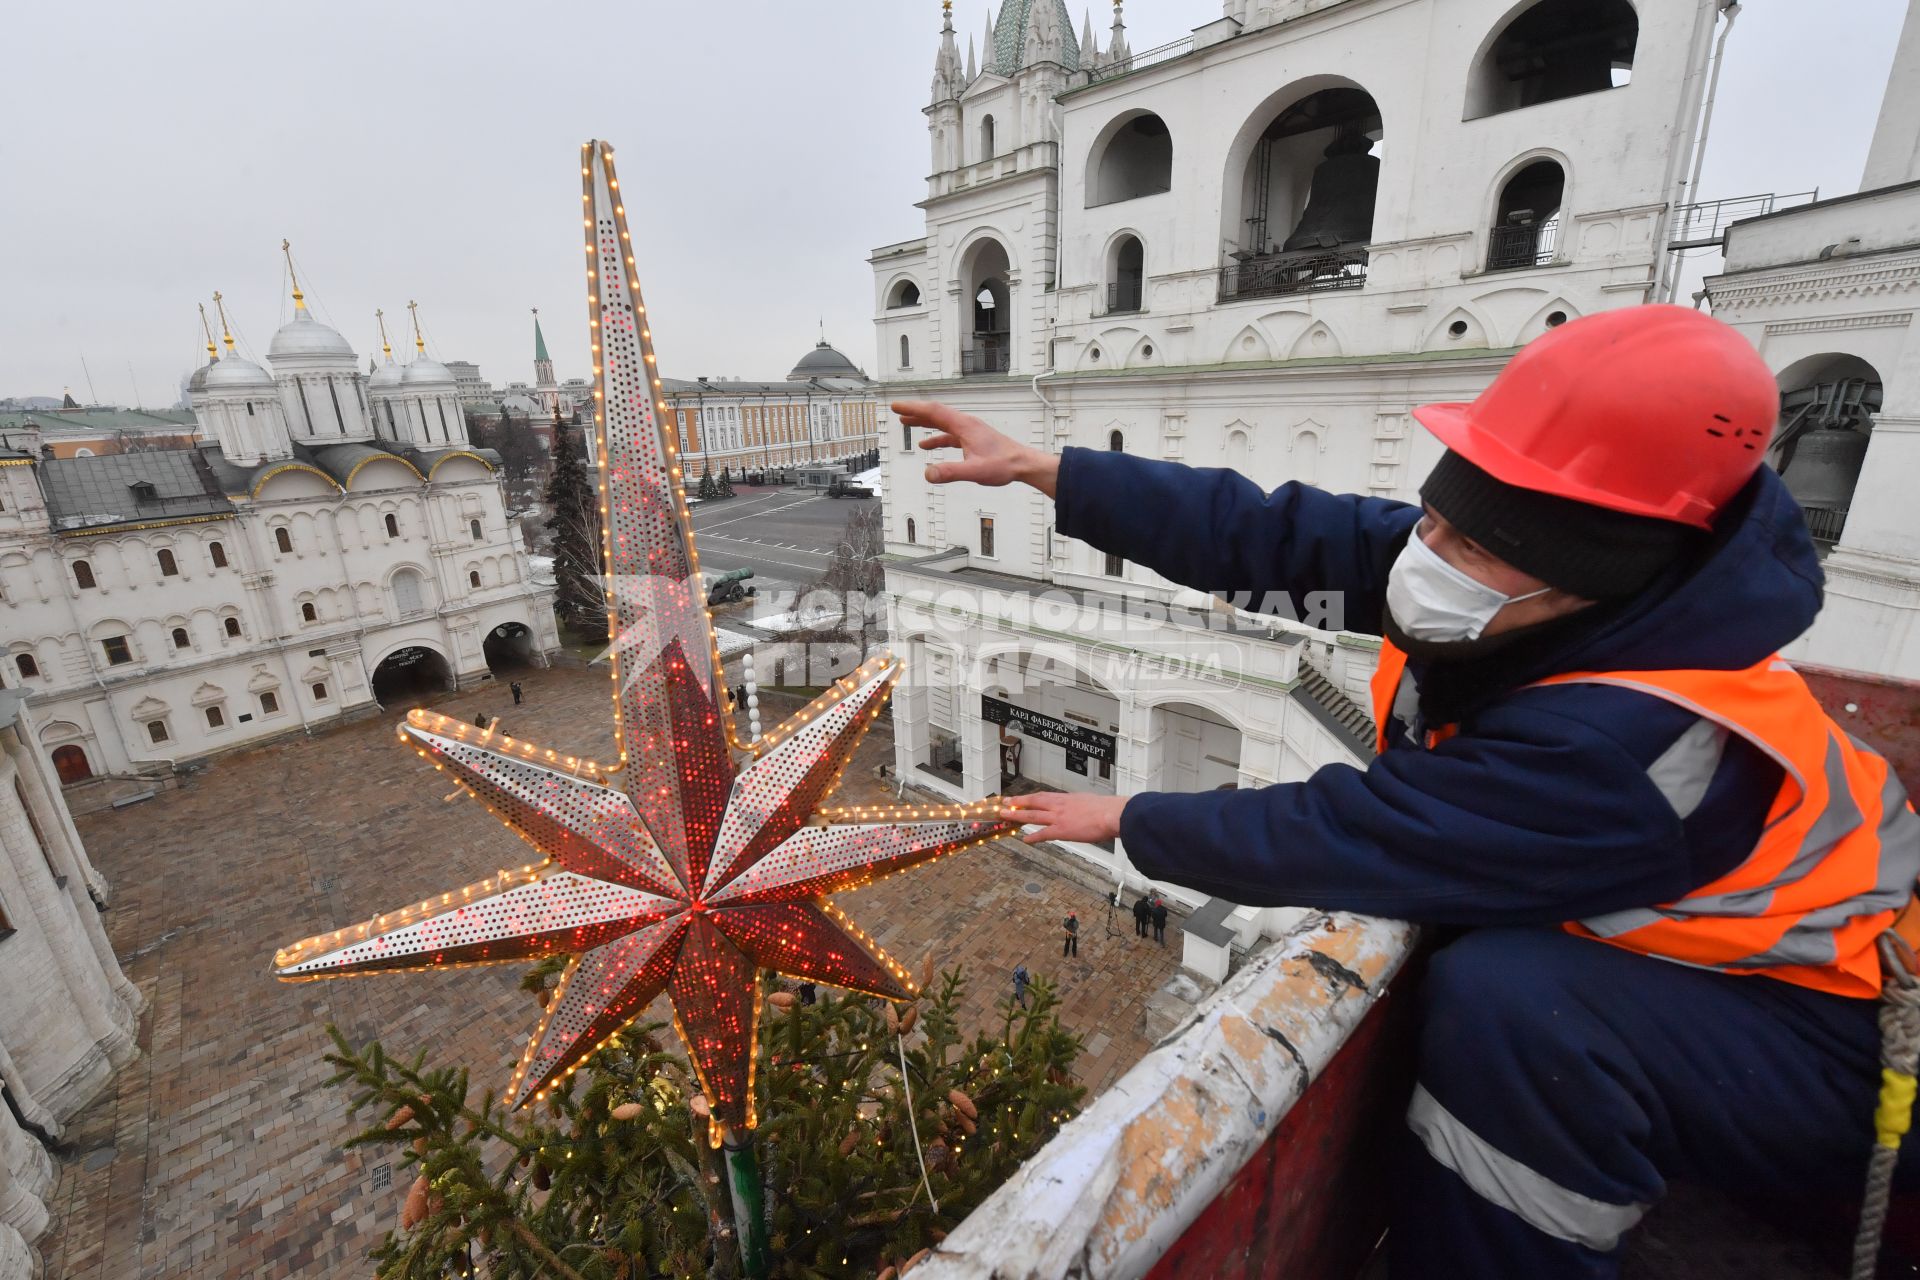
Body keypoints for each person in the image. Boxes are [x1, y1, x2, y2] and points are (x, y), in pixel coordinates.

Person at [896, 304, 1920, 1280]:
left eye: (1461, 545)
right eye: (1431, 521)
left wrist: (1127, 817)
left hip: (1843, 1047)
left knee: (1515, 1013)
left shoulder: (1623, 744)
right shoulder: (1532, 582)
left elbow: (1352, 833)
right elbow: (1277, 536)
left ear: (1579, 579)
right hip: (1734, 977)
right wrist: (1050, 471)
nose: (1422, 559)